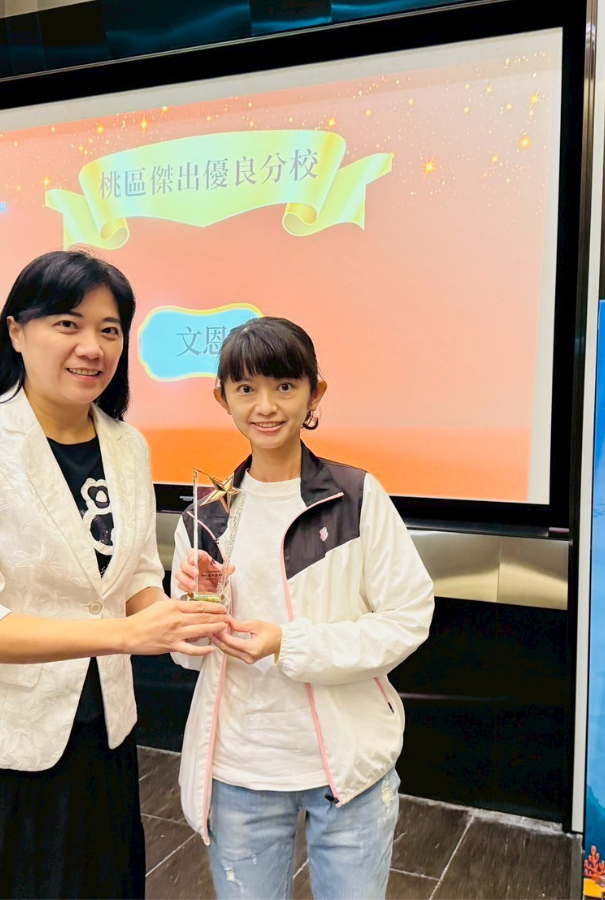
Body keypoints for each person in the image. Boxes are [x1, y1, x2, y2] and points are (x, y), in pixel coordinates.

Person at [0, 250, 230, 900]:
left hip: (101, 740)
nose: (92, 348)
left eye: (110, 330)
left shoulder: (127, 445)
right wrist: (129, 635)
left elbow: (133, 582)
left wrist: (181, 608)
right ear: (17, 333)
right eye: (68, 325)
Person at [170, 317, 435, 900]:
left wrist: (288, 644)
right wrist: (189, 610)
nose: (265, 406)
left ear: (316, 393)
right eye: (246, 389)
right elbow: (187, 657)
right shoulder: (205, 515)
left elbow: (407, 617)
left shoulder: (355, 496)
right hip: (239, 770)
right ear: (222, 399)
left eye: (285, 386)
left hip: (349, 771)